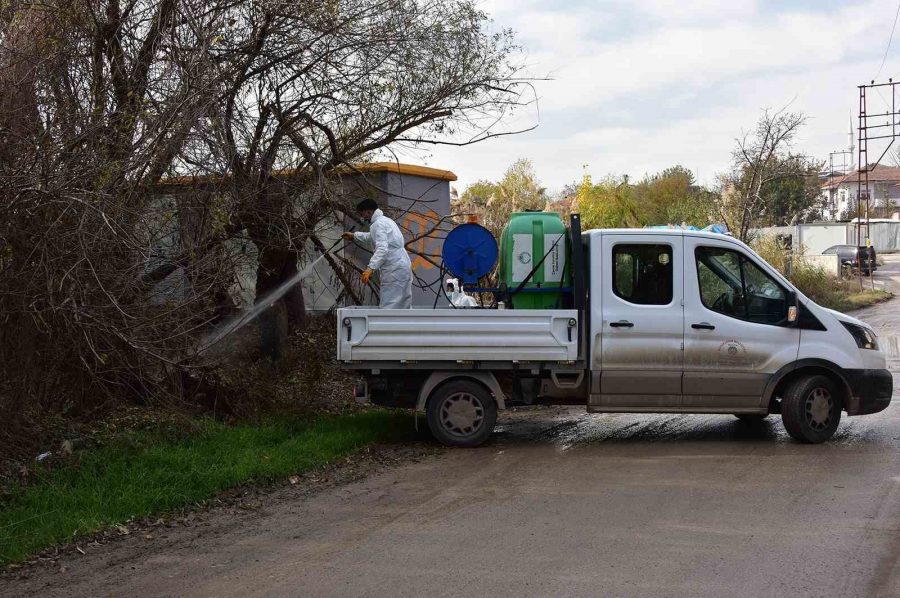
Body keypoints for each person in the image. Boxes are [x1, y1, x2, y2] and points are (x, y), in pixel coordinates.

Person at [342, 198, 413, 309]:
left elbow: (382, 249)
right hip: (401, 265)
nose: (362, 217)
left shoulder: (378, 224)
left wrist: (370, 268)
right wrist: (354, 235)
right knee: (402, 304)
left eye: (362, 214)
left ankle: (387, 326)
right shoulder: (386, 221)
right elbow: (373, 237)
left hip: (393, 268)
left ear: (368, 211)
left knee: (390, 304)